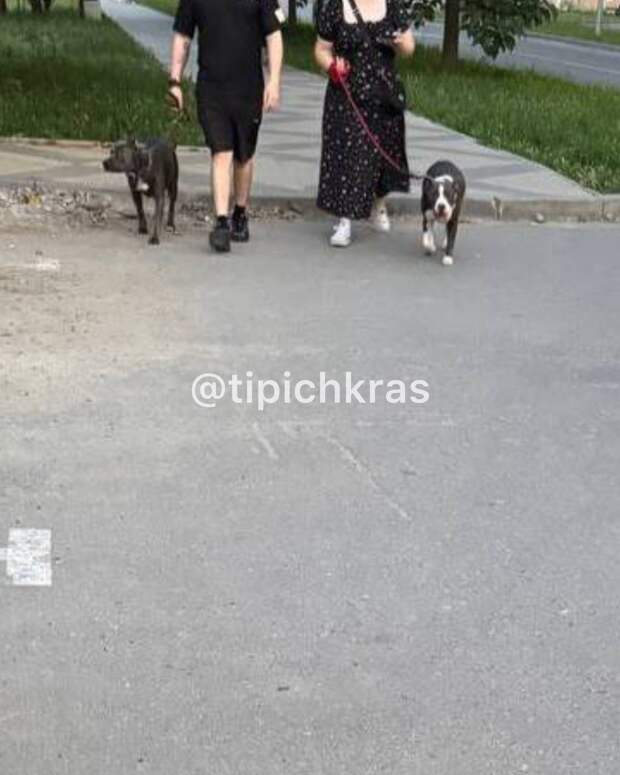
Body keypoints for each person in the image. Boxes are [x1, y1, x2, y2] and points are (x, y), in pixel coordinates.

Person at [169, 0, 284, 253]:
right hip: (211, 88)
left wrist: (274, 81)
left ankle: (240, 213)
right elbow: (182, 35)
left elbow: (274, 35)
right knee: (221, 152)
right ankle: (221, 222)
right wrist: (174, 81)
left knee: (244, 156)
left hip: (248, 88)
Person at [315, 0, 415, 247]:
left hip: (384, 94)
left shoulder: (392, 5)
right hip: (347, 95)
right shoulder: (335, 7)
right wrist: (331, 65)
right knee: (349, 154)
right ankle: (345, 219)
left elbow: (409, 47)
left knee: (385, 153)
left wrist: (401, 44)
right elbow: (321, 49)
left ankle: (378, 204)